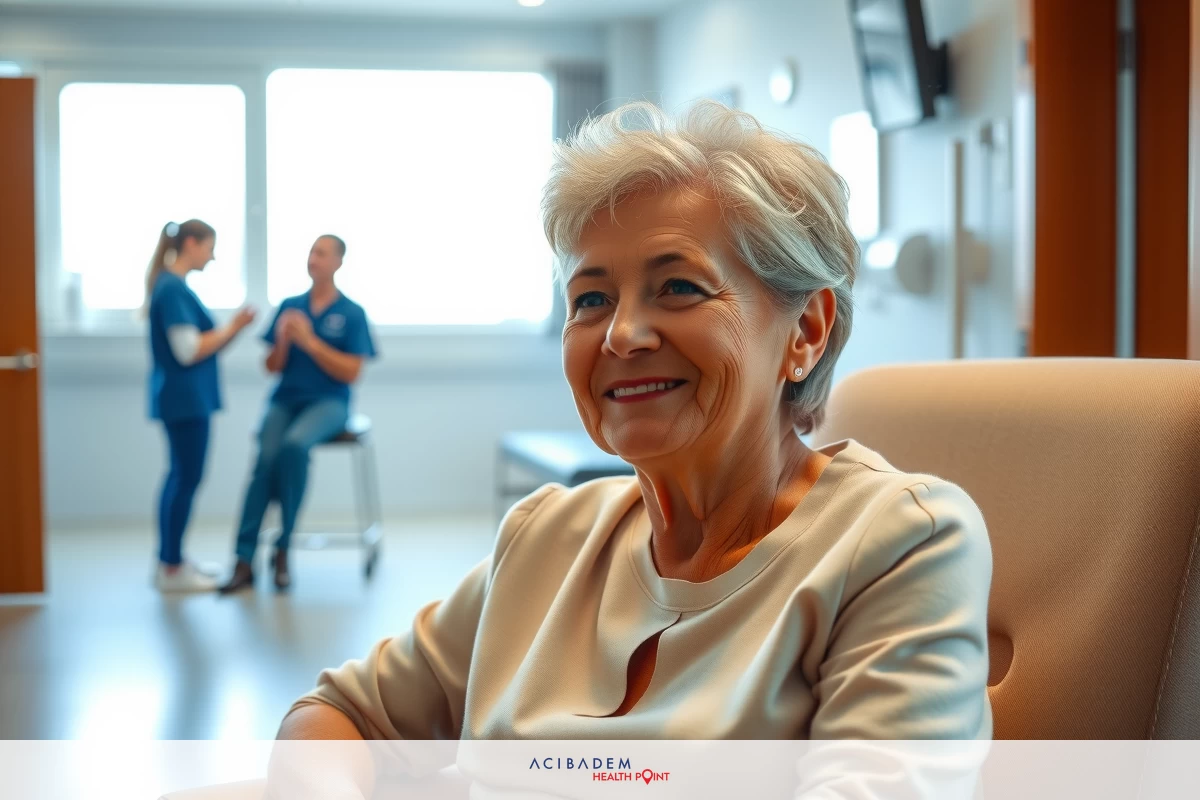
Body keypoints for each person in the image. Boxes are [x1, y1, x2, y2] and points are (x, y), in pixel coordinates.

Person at [274, 102, 991, 766]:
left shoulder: (899, 545)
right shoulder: (547, 535)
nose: (621, 335)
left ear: (804, 332)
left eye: (677, 287)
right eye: (591, 299)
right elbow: (336, 714)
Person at [219, 235, 377, 594]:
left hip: (329, 403)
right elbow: (271, 367)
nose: (313, 259)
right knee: (265, 459)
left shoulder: (351, 313)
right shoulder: (291, 307)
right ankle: (244, 560)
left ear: (338, 262)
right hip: (285, 400)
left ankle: (282, 548)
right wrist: (285, 341)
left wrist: (311, 342)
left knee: (294, 447)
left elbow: (352, 372)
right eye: (311, 252)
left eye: (321, 253)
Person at [146, 219, 256, 592]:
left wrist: (233, 330)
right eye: (210, 247)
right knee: (184, 479)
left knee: (179, 478)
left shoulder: (172, 286)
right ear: (191, 243)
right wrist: (233, 326)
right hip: (185, 401)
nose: (213, 256)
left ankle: (172, 561)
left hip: (187, 399)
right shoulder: (172, 289)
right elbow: (189, 350)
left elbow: (201, 343)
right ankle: (171, 568)